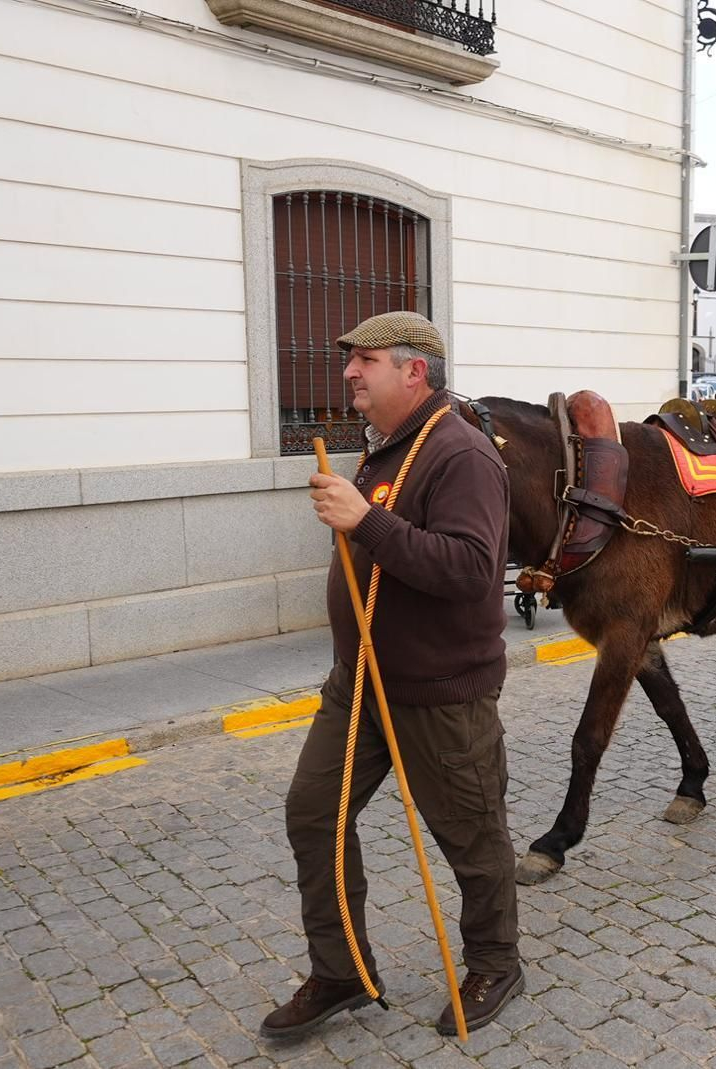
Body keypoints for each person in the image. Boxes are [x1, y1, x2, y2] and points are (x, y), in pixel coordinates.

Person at [263, 311, 522, 1040]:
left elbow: (471, 570)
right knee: (313, 812)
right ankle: (342, 969)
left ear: (415, 370)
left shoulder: (461, 455)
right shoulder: (388, 449)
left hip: (441, 692)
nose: (348, 372)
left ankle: (497, 962)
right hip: (360, 683)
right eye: (349, 360)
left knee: (473, 838)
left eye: (364, 361)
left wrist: (363, 521)